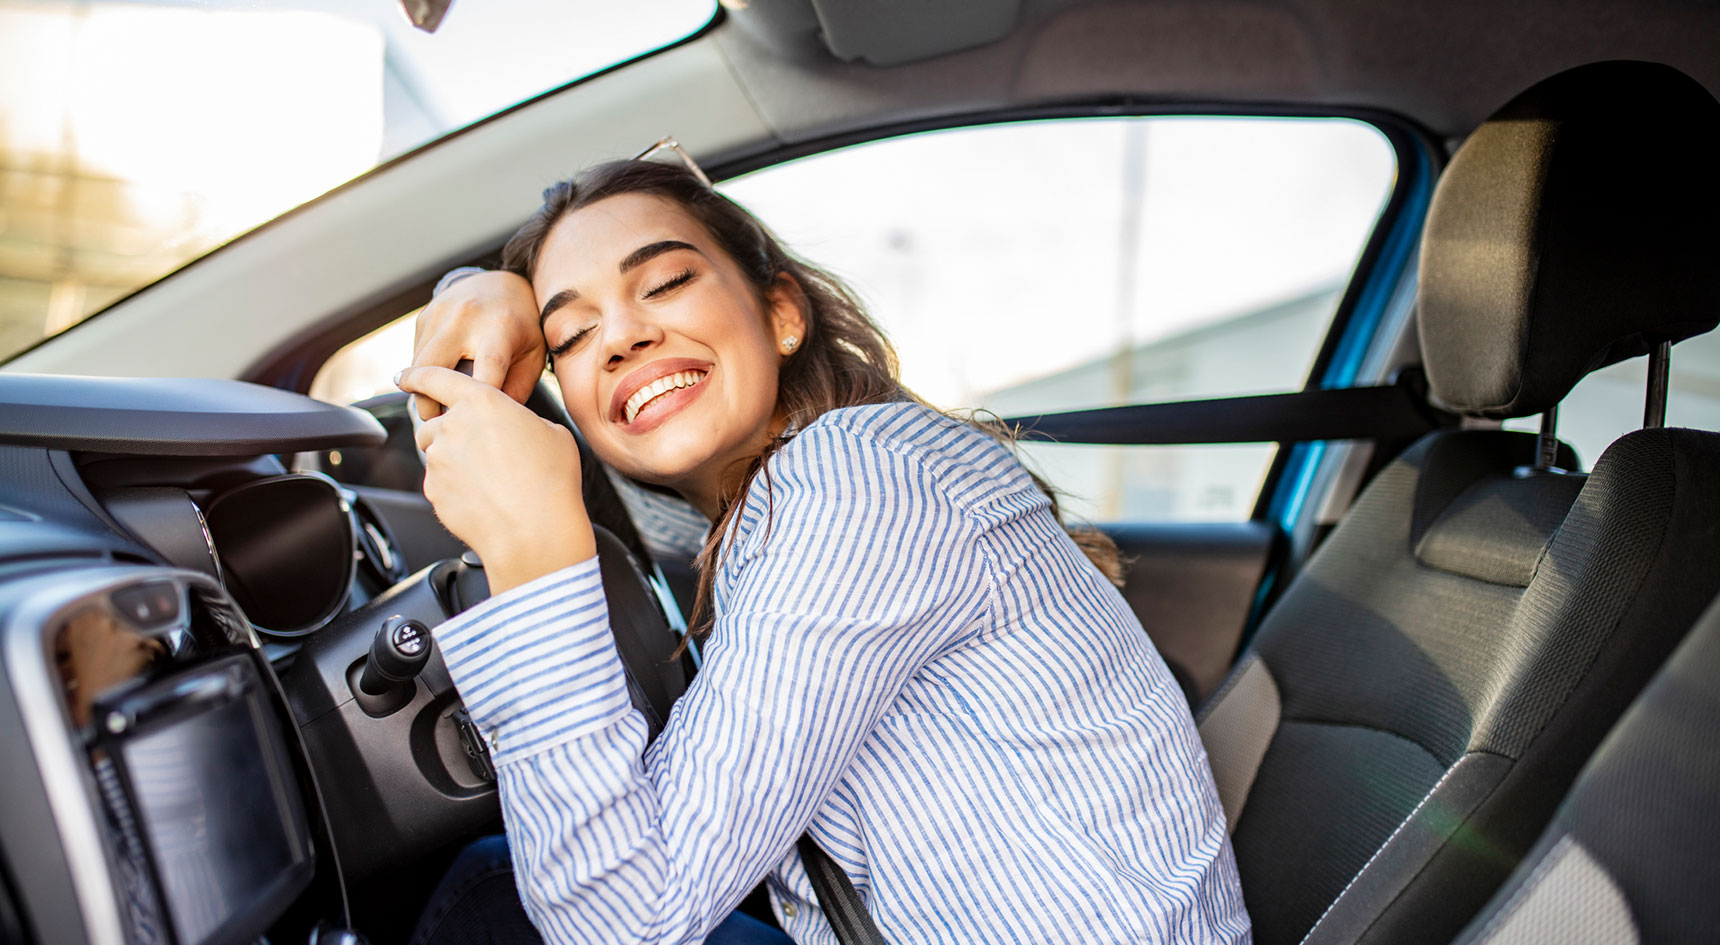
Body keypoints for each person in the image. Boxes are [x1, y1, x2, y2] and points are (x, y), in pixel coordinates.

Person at [395, 157, 1251, 945]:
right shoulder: (755, 508)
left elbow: (626, 923)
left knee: (483, 897)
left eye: (666, 281)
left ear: (782, 314)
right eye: (573, 337)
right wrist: (486, 288)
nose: (619, 338)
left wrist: (531, 555)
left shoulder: (855, 480)